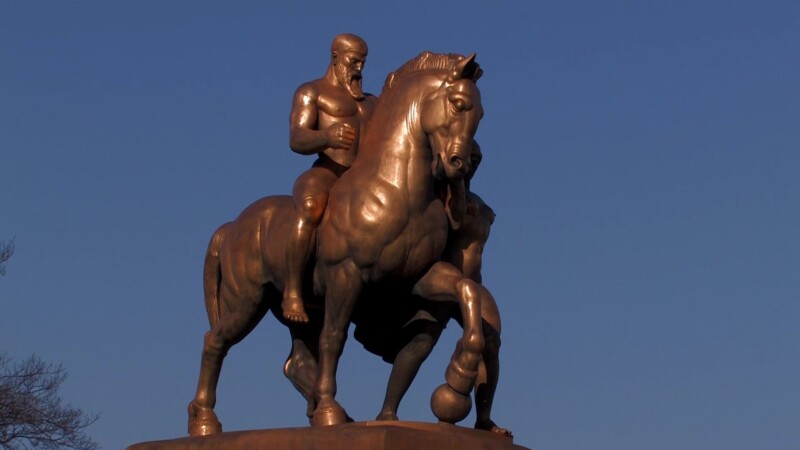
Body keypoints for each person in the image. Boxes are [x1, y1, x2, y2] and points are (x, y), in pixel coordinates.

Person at [373, 141, 511, 435]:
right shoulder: (442, 197)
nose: (471, 166)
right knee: (421, 343)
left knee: (492, 342)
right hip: (444, 278)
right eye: (468, 160)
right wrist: (456, 185)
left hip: (473, 283)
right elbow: (456, 219)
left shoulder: (480, 204)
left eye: (477, 161)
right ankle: (388, 409)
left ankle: (483, 418)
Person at [283, 33, 378, 323]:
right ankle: (292, 290)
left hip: (362, 180)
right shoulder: (312, 92)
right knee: (310, 207)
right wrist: (326, 136)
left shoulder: (372, 103)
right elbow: (296, 138)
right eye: (353, 61)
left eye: (363, 62)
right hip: (328, 171)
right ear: (335, 57)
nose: (358, 68)